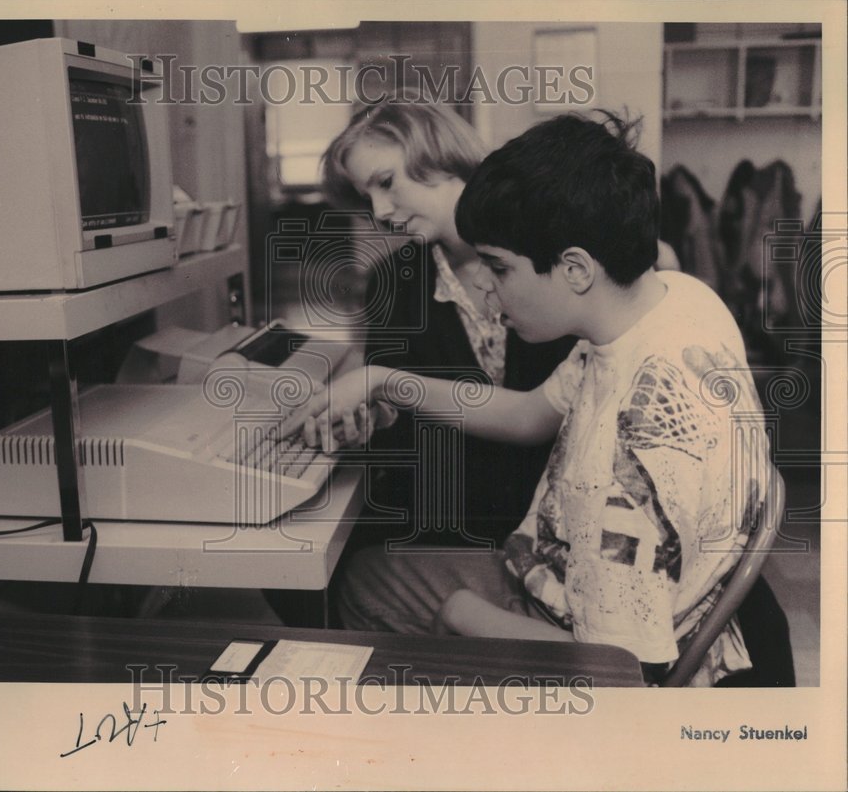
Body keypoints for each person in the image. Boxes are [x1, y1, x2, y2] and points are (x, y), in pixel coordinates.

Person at [297, 111, 773, 686]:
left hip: (591, 637)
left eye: (499, 268)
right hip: (567, 570)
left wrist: (464, 613)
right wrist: (385, 380)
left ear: (574, 269)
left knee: (365, 597)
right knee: (369, 571)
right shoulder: (674, 302)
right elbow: (527, 414)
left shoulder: (626, 463)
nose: (490, 294)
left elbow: (620, 673)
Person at [319, 98, 574, 549]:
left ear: (439, 154)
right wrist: (367, 416)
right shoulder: (391, 281)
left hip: (559, 515)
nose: (378, 211)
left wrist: (381, 383)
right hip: (455, 517)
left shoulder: (550, 247)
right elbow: (394, 410)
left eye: (386, 182)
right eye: (366, 197)